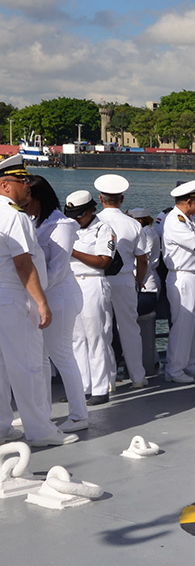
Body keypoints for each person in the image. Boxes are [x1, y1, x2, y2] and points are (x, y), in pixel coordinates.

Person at [0, 155, 77, 447]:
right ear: (6, 185)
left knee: (1, 368)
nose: (28, 187)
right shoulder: (14, 216)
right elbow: (23, 264)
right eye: (23, 181)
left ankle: (3, 427)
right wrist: (42, 302)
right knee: (28, 366)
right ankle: (40, 431)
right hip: (16, 299)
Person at [25, 176, 88, 430]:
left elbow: (57, 269)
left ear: (38, 198)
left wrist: (31, 290)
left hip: (59, 297)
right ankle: (41, 413)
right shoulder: (33, 221)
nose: (23, 204)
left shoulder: (62, 225)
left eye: (27, 199)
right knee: (40, 359)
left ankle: (78, 415)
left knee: (62, 355)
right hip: (41, 298)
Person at [94, 173, 149, 389]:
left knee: (103, 330)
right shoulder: (133, 224)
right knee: (129, 329)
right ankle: (138, 376)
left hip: (100, 279)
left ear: (100, 198)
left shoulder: (94, 222)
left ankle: (108, 380)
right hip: (125, 279)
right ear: (122, 199)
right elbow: (142, 259)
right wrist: (138, 280)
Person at [65, 190, 116, 408]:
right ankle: (82, 386)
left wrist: (73, 252)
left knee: (96, 337)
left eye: (79, 214)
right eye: (72, 214)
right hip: (71, 282)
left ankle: (100, 388)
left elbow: (104, 261)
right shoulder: (68, 228)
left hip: (93, 282)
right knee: (76, 339)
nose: (75, 219)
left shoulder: (103, 229)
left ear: (91, 210)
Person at [162, 180, 195, 383]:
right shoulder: (175, 220)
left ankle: (189, 363)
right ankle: (174, 369)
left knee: (194, 324)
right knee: (183, 325)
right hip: (182, 276)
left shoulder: (185, 219)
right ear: (188, 201)